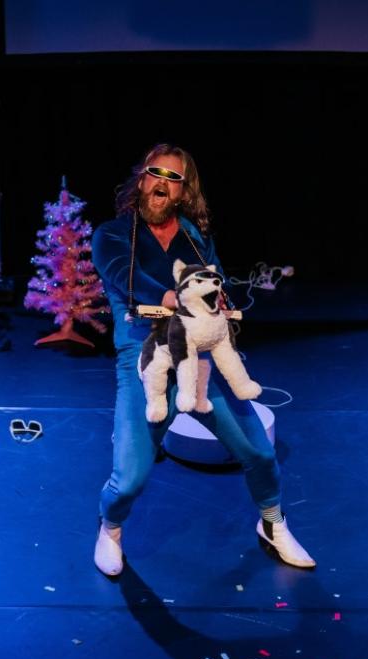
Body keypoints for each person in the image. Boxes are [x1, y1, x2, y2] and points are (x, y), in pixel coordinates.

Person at [90, 143, 315, 577]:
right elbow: (126, 276)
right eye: (156, 173)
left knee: (259, 452)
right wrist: (171, 297)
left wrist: (219, 301)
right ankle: (110, 529)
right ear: (142, 180)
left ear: (182, 192)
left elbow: (214, 280)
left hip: (199, 359)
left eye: (173, 179)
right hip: (145, 358)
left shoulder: (195, 237)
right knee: (131, 478)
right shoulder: (112, 234)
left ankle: (272, 524)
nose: (162, 184)